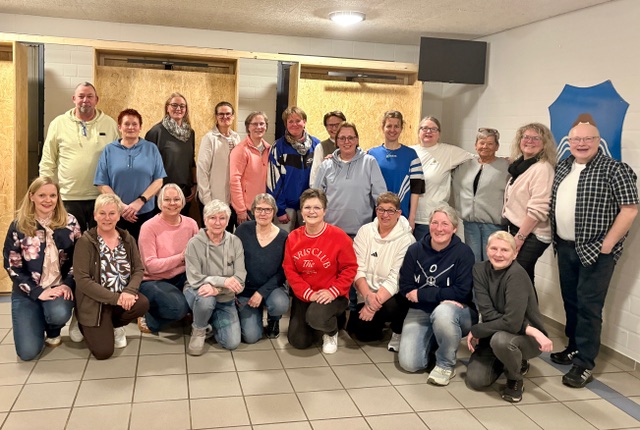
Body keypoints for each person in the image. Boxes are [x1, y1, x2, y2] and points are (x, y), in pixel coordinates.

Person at [550, 120, 638, 388]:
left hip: (596, 251)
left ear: (598, 141)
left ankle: (584, 363)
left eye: (588, 139)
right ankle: (574, 347)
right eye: (576, 139)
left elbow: (630, 209)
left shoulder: (615, 169)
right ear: (568, 142)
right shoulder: (563, 166)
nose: (582, 143)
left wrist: (608, 244)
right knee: (571, 302)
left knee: (589, 307)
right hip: (565, 247)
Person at [466, 231, 553, 403]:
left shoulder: (517, 274)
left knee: (501, 341)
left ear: (515, 254)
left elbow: (512, 323)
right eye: (494, 248)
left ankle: (515, 377)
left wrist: (477, 329)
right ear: (487, 249)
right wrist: (529, 329)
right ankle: (508, 359)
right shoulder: (479, 270)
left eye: (505, 250)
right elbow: (488, 313)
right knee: (476, 380)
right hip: (497, 330)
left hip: (524, 339)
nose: (498, 254)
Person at [398, 204, 477, 386]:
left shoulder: (464, 253)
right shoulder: (415, 250)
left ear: (454, 228)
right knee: (410, 364)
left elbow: (462, 292)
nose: (439, 228)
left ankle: (445, 365)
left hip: (456, 311)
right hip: (421, 310)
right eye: (435, 223)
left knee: (443, 313)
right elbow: (405, 287)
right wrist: (441, 295)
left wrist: (422, 294)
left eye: (445, 224)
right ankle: (437, 339)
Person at [2, 177, 80, 361]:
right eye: (42, 195)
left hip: (59, 288)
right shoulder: (19, 225)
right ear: (32, 196)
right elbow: (12, 266)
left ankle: (53, 329)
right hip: (27, 291)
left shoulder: (70, 222)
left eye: (52, 195)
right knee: (27, 352)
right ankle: (37, 318)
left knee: (58, 313)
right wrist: (37, 292)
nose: (48, 200)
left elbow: (80, 259)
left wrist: (68, 284)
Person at [73, 194, 150, 360]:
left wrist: (129, 291)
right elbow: (83, 281)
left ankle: (114, 325)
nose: (107, 218)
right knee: (103, 352)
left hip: (120, 299)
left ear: (119, 215)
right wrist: (116, 299)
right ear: (95, 215)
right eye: (102, 213)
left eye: (112, 213)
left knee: (142, 303)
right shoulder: (85, 242)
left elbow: (138, 269)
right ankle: (82, 323)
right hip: (95, 303)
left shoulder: (127, 238)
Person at [283, 189, 357, 354]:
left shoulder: (339, 237)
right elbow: (290, 269)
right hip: (306, 294)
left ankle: (331, 331)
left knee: (316, 317)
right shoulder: (293, 237)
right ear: (301, 211)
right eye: (307, 207)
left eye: (317, 207)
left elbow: (350, 268)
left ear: (324, 211)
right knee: (298, 341)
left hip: (332, 294)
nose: (312, 212)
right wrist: (308, 294)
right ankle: (318, 320)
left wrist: (333, 291)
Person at [39, 82, 119, 231]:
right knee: (69, 241)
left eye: (90, 96)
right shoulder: (58, 124)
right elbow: (47, 161)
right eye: (81, 96)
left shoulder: (110, 124)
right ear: (74, 99)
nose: (85, 100)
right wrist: (47, 193)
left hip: (100, 197)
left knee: (98, 241)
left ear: (96, 100)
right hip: (69, 197)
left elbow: (117, 162)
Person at [347, 192, 415, 351]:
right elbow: (357, 268)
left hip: (392, 296)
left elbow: (395, 279)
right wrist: (367, 296)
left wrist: (371, 307)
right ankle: (378, 322)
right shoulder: (365, 231)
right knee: (362, 333)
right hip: (367, 293)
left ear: (398, 213)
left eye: (390, 210)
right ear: (376, 210)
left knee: (391, 308)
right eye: (381, 210)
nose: (385, 215)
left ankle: (398, 329)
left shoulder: (407, 240)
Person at [184, 199, 246, 355]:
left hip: (225, 297)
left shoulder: (235, 242)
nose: (217, 222)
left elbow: (240, 278)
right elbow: (195, 278)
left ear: (228, 221)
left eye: (222, 218)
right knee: (206, 299)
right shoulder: (194, 243)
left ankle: (208, 320)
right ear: (205, 220)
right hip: (197, 291)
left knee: (232, 343)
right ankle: (199, 329)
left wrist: (218, 289)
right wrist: (224, 281)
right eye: (212, 218)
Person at [94, 109, 167, 241]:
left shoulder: (151, 149)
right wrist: (120, 206)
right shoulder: (109, 150)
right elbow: (101, 183)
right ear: (119, 127)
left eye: (134, 124)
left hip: (145, 212)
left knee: (143, 249)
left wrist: (139, 202)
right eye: (126, 124)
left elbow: (158, 181)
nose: (131, 127)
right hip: (115, 214)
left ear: (140, 127)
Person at [137, 184, 198, 334]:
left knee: (203, 299)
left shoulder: (191, 224)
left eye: (176, 199)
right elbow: (151, 266)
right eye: (167, 200)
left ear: (182, 201)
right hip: (154, 280)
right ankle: (149, 316)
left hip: (183, 276)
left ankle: (183, 308)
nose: (172, 203)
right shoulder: (148, 227)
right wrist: (181, 257)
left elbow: (197, 255)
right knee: (178, 308)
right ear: (160, 202)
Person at [503, 123, 556, 289]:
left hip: (532, 234)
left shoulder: (542, 168)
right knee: (524, 277)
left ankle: (523, 307)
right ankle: (528, 307)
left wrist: (519, 238)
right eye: (526, 137)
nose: (530, 141)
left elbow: (538, 210)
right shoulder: (520, 166)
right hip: (520, 230)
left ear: (545, 144)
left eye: (536, 138)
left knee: (517, 277)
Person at [314, 121, 387, 237]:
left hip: (361, 233)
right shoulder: (326, 165)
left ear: (357, 140)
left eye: (351, 138)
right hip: (330, 232)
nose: (347, 142)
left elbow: (380, 197)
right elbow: (316, 198)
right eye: (342, 138)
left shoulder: (369, 162)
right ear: (337, 141)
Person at [234, 194, 289, 342]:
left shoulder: (284, 237)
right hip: (246, 289)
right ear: (253, 211)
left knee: (279, 304)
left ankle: (273, 319)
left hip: (272, 288)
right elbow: (233, 259)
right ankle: (253, 313)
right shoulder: (242, 230)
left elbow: (283, 271)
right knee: (251, 337)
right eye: (259, 209)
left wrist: (261, 293)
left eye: (267, 209)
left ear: (274, 212)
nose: (263, 213)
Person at [411, 116, 473, 241]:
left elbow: (476, 157)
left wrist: (502, 160)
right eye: (424, 128)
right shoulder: (410, 151)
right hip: (408, 217)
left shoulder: (448, 152)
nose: (428, 132)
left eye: (433, 129)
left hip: (432, 219)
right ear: (418, 132)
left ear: (439, 134)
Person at [452, 127, 509, 261]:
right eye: (482, 143)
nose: (485, 146)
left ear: (497, 146)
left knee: (493, 261)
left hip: (494, 225)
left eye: (490, 143)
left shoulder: (506, 166)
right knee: (473, 262)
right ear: (475, 145)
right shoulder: (465, 165)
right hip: (470, 224)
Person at [368, 111, 425, 231]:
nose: (392, 130)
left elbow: (416, 189)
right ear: (382, 128)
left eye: (396, 126)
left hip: (402, 217)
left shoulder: (411, 155)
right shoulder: (371, 154)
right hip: (377, 217)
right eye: (389, 126)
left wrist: (412, 218)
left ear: (401, 128)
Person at [268, 106, 320, 232]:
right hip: (286, 208)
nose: (294, 124)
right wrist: (280, 209)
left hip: (310, 207)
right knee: (284, 240)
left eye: (298, 120)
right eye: (290, 121)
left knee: (308, 240)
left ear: (304, 122)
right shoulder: (278, 147)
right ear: (286, 124)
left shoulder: (317, 145)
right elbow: (273, 181)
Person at [145, 92, 197, 216]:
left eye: (182, 106)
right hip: (162, 193)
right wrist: (154, 190)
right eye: (174, 105)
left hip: (184, 193)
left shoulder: (190, 133)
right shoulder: (155, 132)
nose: (178, 109)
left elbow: (191, 161)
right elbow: (147, 165)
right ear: (167, 108)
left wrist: (194, 185)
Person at [197, 101, 242, 230]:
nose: (225, 117)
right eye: (221, 114)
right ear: (216, 116)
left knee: (228, 236)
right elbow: (202, 170)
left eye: (228, 114)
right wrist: (208, 202)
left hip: (232, 201)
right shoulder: (209, 138)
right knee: (213, 236)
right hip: (214, 200)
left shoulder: (236, 137)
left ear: (233, 116)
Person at [229, 112, 271, 225]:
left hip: (264, 206)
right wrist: (240, 209)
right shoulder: (241, 150)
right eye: (255, 124)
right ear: (248, 127)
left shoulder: (269, 149)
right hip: (248, 209)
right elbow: (234, 180)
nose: (259, 127)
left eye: (262, 124)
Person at [310, 111, 347, 186]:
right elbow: (314, 177)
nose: (334, 128)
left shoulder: (352, 145)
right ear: (326, 127)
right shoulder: (321, 147)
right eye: (330, 125)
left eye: (337, 124)